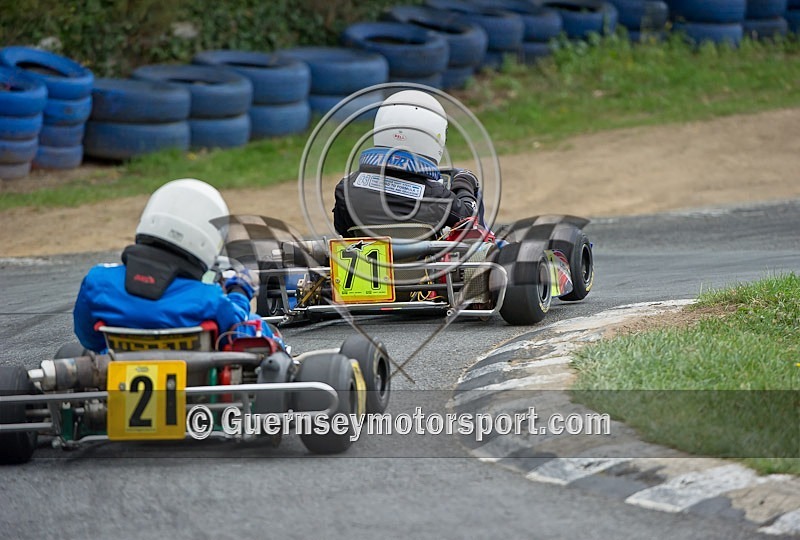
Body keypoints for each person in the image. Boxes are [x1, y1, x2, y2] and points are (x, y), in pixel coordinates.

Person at [73, 178, 278, 353]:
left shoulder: (98, 283)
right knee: (260, 327)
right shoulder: (208, 300)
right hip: (196, 384)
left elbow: (89, 341)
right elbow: (236, 334)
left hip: (116, 378)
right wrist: (240, 291)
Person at [332, 89, 482, 237]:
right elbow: (469, 220)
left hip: (366, 253)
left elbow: (343, 231)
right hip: (422, 254)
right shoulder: (435, 195)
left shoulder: (346, 188)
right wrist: (464, 183)